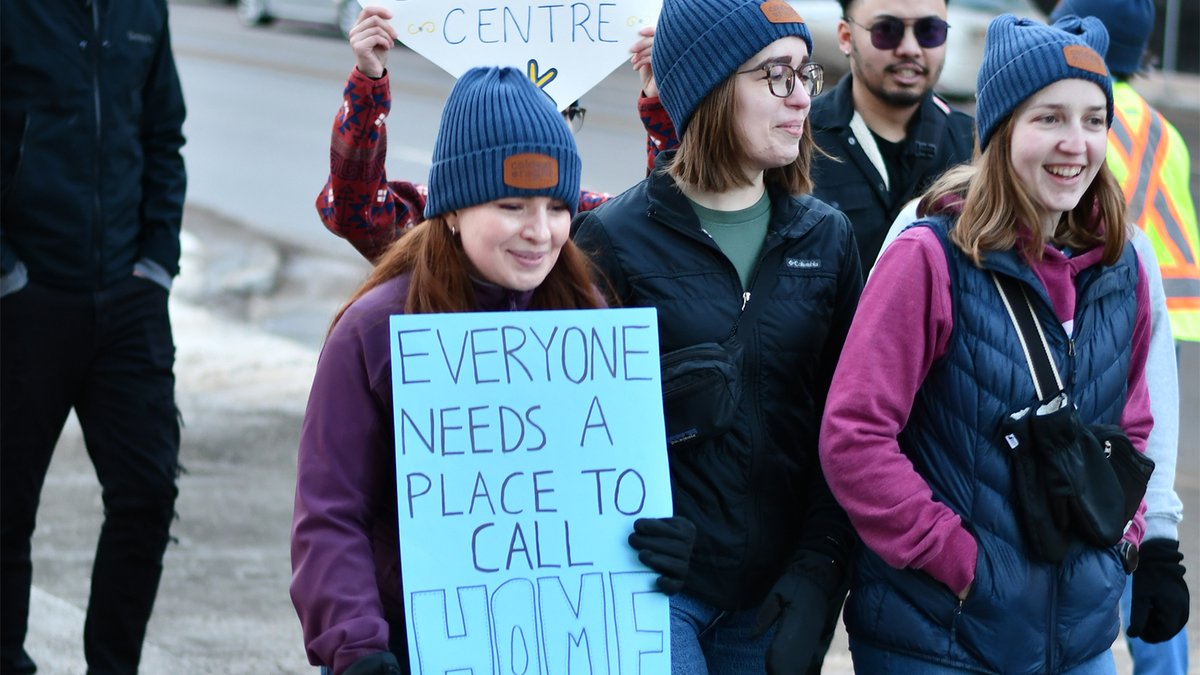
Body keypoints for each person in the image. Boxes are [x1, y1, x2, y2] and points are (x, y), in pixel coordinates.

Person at [291, 65, 694, 675]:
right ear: (451, 209)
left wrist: (657, 543)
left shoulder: (589, 319)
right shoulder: (374, 331)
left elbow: (604, 484)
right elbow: (330, 511)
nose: (540, 232)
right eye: (511, 205)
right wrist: (355, 644)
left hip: (565, 645)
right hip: (407, 649)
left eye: (559, 207)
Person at [820, 13, 1156, 673]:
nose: (1076, 143)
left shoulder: (1122, 266)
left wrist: (1122, 538)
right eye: (1050, 118)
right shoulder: (929, 258)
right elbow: (854, 435)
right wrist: (963, 564)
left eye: (1094, 121)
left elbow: (1134, 424)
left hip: (1083, 640)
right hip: (943, 638)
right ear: (1000, 132)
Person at [573, 0, 864, 672]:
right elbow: (573, 436)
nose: (799, 99)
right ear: (707, 88)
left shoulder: (826, 236)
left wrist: (821, 569)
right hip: (653, 587)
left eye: (804, 76)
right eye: (773, 77)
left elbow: (847, 424)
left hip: (773, 599)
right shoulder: (613, 240)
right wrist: (619, 533)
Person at [0, 3, 187, 673]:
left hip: (128, 297)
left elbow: (165, 133)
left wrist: (156, 262)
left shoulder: (144, 7)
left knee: (146, 492)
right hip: (26, 298)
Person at [1051, 1, 1193, 671]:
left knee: (1112, 501)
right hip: (1167, 312)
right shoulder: (1163, 129)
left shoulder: (1086, 114)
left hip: (1119, 310)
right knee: (1137, 490)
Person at [317, 6, 660, 263]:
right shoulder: (436, 215)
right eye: (510, 207)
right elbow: (357, 213)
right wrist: (368, 86)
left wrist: (659, 102)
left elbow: (662, 225)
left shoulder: (588, 220)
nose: (539, 232)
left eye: (563, 114)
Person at [809, 0, 974, 271]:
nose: (910, 49)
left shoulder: (975, 145)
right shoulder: (799, 139)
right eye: (886, 30)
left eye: (929, 30)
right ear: (846, 37)